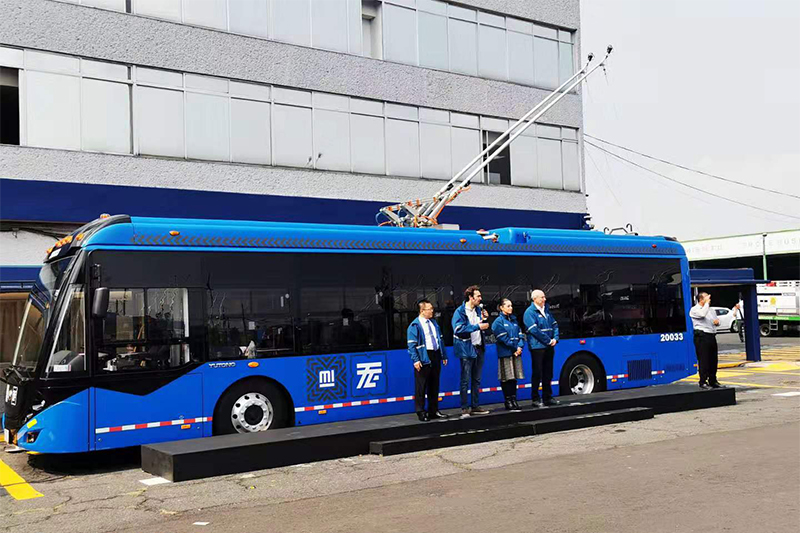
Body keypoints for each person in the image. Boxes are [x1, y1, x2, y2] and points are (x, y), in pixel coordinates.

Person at [452, 285, 491, 418]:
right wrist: (477, 326)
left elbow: (482, 327)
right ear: (470, 297)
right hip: (466, 349)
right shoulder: (460, 312)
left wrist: (485, 320)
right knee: (465, 380)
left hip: (479, 347)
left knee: (477, 379)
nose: (481, 298)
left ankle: (475, 406)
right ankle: (464, 408)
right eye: (478, 296)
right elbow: (458, 329)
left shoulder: (479, 310)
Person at [407, 299, 448, 421]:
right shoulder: (415, 325)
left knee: (434, 384)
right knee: (421, 385)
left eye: (432, 308)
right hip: (423, 357)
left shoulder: (433, 323)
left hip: (435, 355)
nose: (432, 311)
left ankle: (433, 410)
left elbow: (440, 339)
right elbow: (411, 345)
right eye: (429, 309)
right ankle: (420, 411)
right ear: (422, 310)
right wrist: (415, 360)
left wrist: (443, 355)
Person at [523, 289, 561, 407]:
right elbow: (534, 330)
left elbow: (554, 325)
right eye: (542, 297)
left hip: (549, 345)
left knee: (548, 372)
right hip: (537, 347)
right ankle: (535, 398)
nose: (544, 299)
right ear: (535, 299)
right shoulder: (529, 312)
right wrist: (548, 340)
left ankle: (547, 397)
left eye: (544, 297)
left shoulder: (547, 310)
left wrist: (555, 338)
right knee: (537, 372)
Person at [491, 298, 524, 411]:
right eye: (508, 306)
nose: (511, 308)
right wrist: (515, 348)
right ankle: (508, 400)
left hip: (516, 353)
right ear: (501, 307)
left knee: (514, 377)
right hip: (506, 353)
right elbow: (503, 338)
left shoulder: (514, 320)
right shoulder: (498, 322)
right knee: (507, 378)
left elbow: (521, 335)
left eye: (511, 305)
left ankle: (514, 399)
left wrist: (520, 346)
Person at [690, 292, 724, 389]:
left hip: (711, 335)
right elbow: (702, 314)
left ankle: (713, 380)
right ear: (701, 299)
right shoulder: (694, 309)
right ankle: (703, 381)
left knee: (713, 359)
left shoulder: (711, 310)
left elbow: (716, 320)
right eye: (706, 297)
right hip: (701, 335)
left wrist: (717, 322)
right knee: (704, 359)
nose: (709, 299)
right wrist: (706, 304)